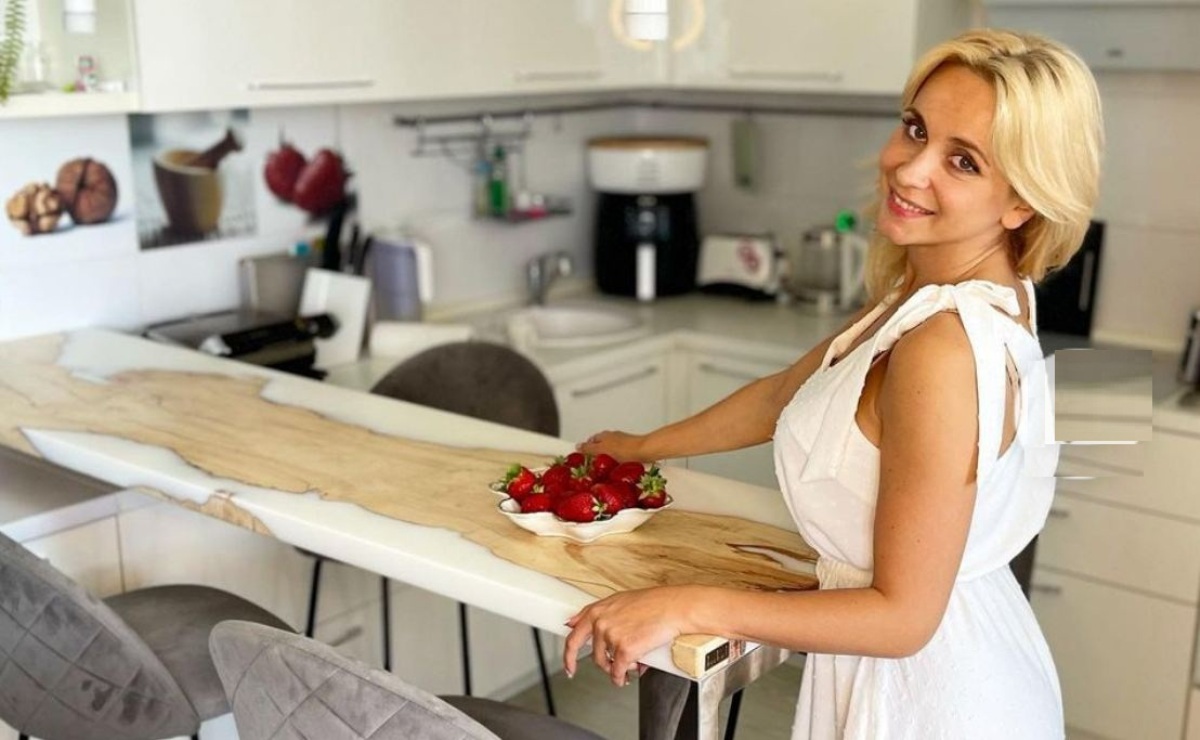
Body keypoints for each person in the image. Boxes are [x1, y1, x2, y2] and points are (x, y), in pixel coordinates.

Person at [563, 28, 1103, 739]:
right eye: (916, 129)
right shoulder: (960, 295)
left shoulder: (940, 349)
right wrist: (639, 447)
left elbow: (902, 619)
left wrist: (688, 603)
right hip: (969, 660)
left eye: (963, 161)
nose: (909, 169)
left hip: (931, 700)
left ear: (1021, 204)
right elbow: (783, 394)